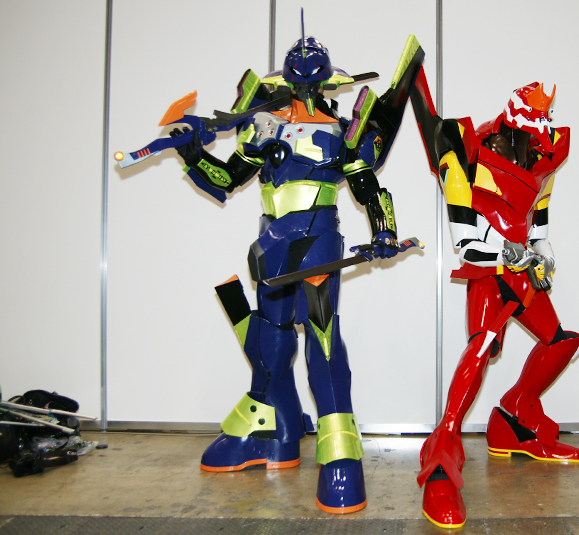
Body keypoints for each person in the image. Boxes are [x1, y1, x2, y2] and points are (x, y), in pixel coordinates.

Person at [167, 33, 424, 514]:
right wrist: (191, 152)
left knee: (322, 337)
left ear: (326, 81)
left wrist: (386, 230)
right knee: (271, 336)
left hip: (318, 240)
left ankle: (340, 451)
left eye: (311, 79)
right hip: (271, 242)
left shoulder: (342, 131)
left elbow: (368, 186)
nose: (304, 88)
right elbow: (228, 178)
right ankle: (275, 429)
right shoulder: (263, 127)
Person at [410, 78, 579, 528]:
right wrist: (506, 256)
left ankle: (514, 421)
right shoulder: (465, 154)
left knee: (560, 342)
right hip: (489, 273)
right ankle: (442, 451)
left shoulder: (542, 162)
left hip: (521, 272)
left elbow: (539, 229)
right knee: (481, 346)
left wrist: (544, 258)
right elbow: (467, 246)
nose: (540, 131)